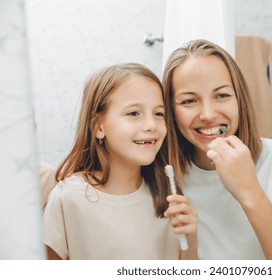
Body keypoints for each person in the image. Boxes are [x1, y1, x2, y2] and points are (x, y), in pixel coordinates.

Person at [162, 39, 272, 260]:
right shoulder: (163, 174)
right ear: (170, 110)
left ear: (240, 99)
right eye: (189, 101)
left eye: (222, 95)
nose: (208, 114)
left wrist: (249, 192)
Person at [43, 63, 197, 260]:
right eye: (134, 113)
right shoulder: (67, 198)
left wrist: (191, 240)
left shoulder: (170, 199)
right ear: (98, 127)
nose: (151, 125)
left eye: (159, 113)